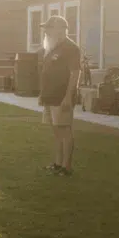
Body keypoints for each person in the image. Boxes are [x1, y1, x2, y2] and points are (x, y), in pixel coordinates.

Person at [37, 15, 81, 176]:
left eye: (49, 28)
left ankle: (66, 167)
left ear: (60, 29)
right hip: (50, 96)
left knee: (65, 131)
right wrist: (42, 94)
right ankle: (57, 164)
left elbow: (75, 73)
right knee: (56, 131)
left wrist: (68, 97)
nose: (46, 31)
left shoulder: (71, 48)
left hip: (62, 97)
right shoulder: (53, 48)